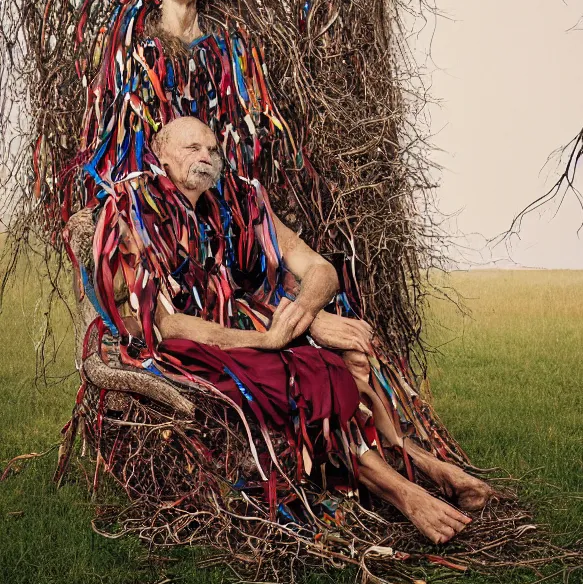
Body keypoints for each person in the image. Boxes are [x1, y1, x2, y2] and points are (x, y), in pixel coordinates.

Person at [97, 114, 487, 544]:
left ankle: (412, 458)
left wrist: (306, 313)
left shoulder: (238, 203)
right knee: (315, 375)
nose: (206, 157)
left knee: (352, 354)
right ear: (161, 155)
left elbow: (320, 269)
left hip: (247, 329)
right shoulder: (132, 208)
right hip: (186, 345)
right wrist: (266, 339)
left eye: (212, 148)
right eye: (193, 149)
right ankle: (405, 491)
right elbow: (164, 324)